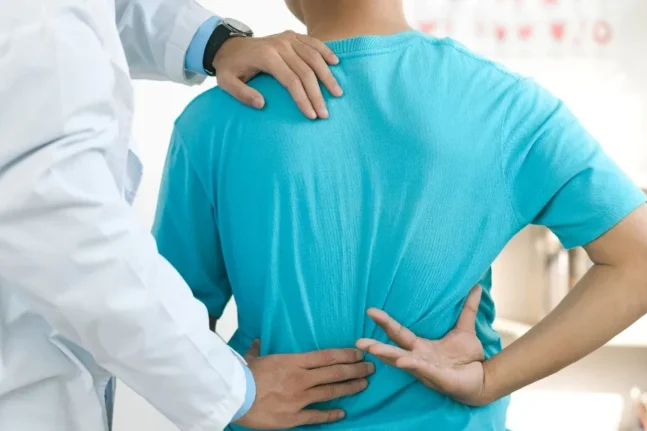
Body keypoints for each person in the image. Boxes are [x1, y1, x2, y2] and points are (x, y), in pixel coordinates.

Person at [153, 0, 647, 429]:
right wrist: (489, 379)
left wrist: (234, 392)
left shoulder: (215, 119)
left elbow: (166, 321)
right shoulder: (508, 105)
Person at [0, 1, 377, 430]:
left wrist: (215, 42)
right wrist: (229, 388)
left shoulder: (216, 121)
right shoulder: (472, 92)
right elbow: (64, 226)